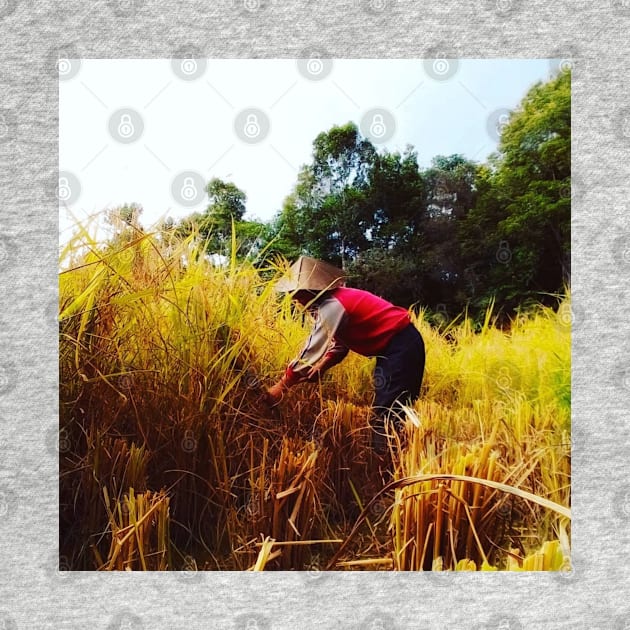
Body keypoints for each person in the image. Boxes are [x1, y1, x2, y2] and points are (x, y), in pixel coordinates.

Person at [266, 256, 425, 455]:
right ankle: (398, 457)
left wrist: (282, 385)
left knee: (388, 409)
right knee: (393, 405)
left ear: (311, 290)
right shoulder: (335, 302)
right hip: (398, 346)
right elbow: (340, 344)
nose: (295, 299)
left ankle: (387, 464)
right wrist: (322, 367)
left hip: (401, 345)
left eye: (297, 293)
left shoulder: (332, 305)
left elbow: (313, 348)